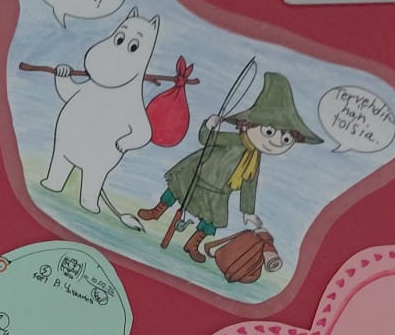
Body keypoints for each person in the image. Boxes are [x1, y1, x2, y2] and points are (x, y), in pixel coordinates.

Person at [137, 70, 321, 265]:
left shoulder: (253, 161)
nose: (275, 142)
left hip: (220, 192)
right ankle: (157, 211)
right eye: (269, 132)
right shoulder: (234, 140)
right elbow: (205, 139)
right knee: (176, 189)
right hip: (198, 174)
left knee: (213, 220)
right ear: (247, 124)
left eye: (286, 139)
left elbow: (249, 185)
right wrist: (209, 125)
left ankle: (193, 243)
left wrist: (248, 212)